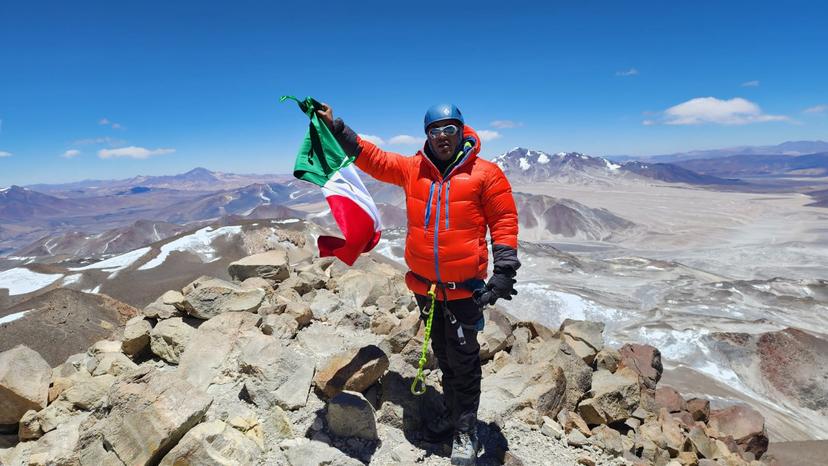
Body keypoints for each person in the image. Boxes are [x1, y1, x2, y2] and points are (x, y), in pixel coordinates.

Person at [317, 102, 520, 466]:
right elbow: (373, 158)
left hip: (464, 290)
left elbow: (503, 219)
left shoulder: (485, 174)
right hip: (424, 286)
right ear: (426, 135)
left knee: (463, 359)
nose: (442, 138)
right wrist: (336, 127)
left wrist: (504, 269)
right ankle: (452, 411)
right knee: (443, 353)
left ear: (462, 130)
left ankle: (465, 430)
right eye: (434, 131)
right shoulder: (413, 169)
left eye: (449, 130)